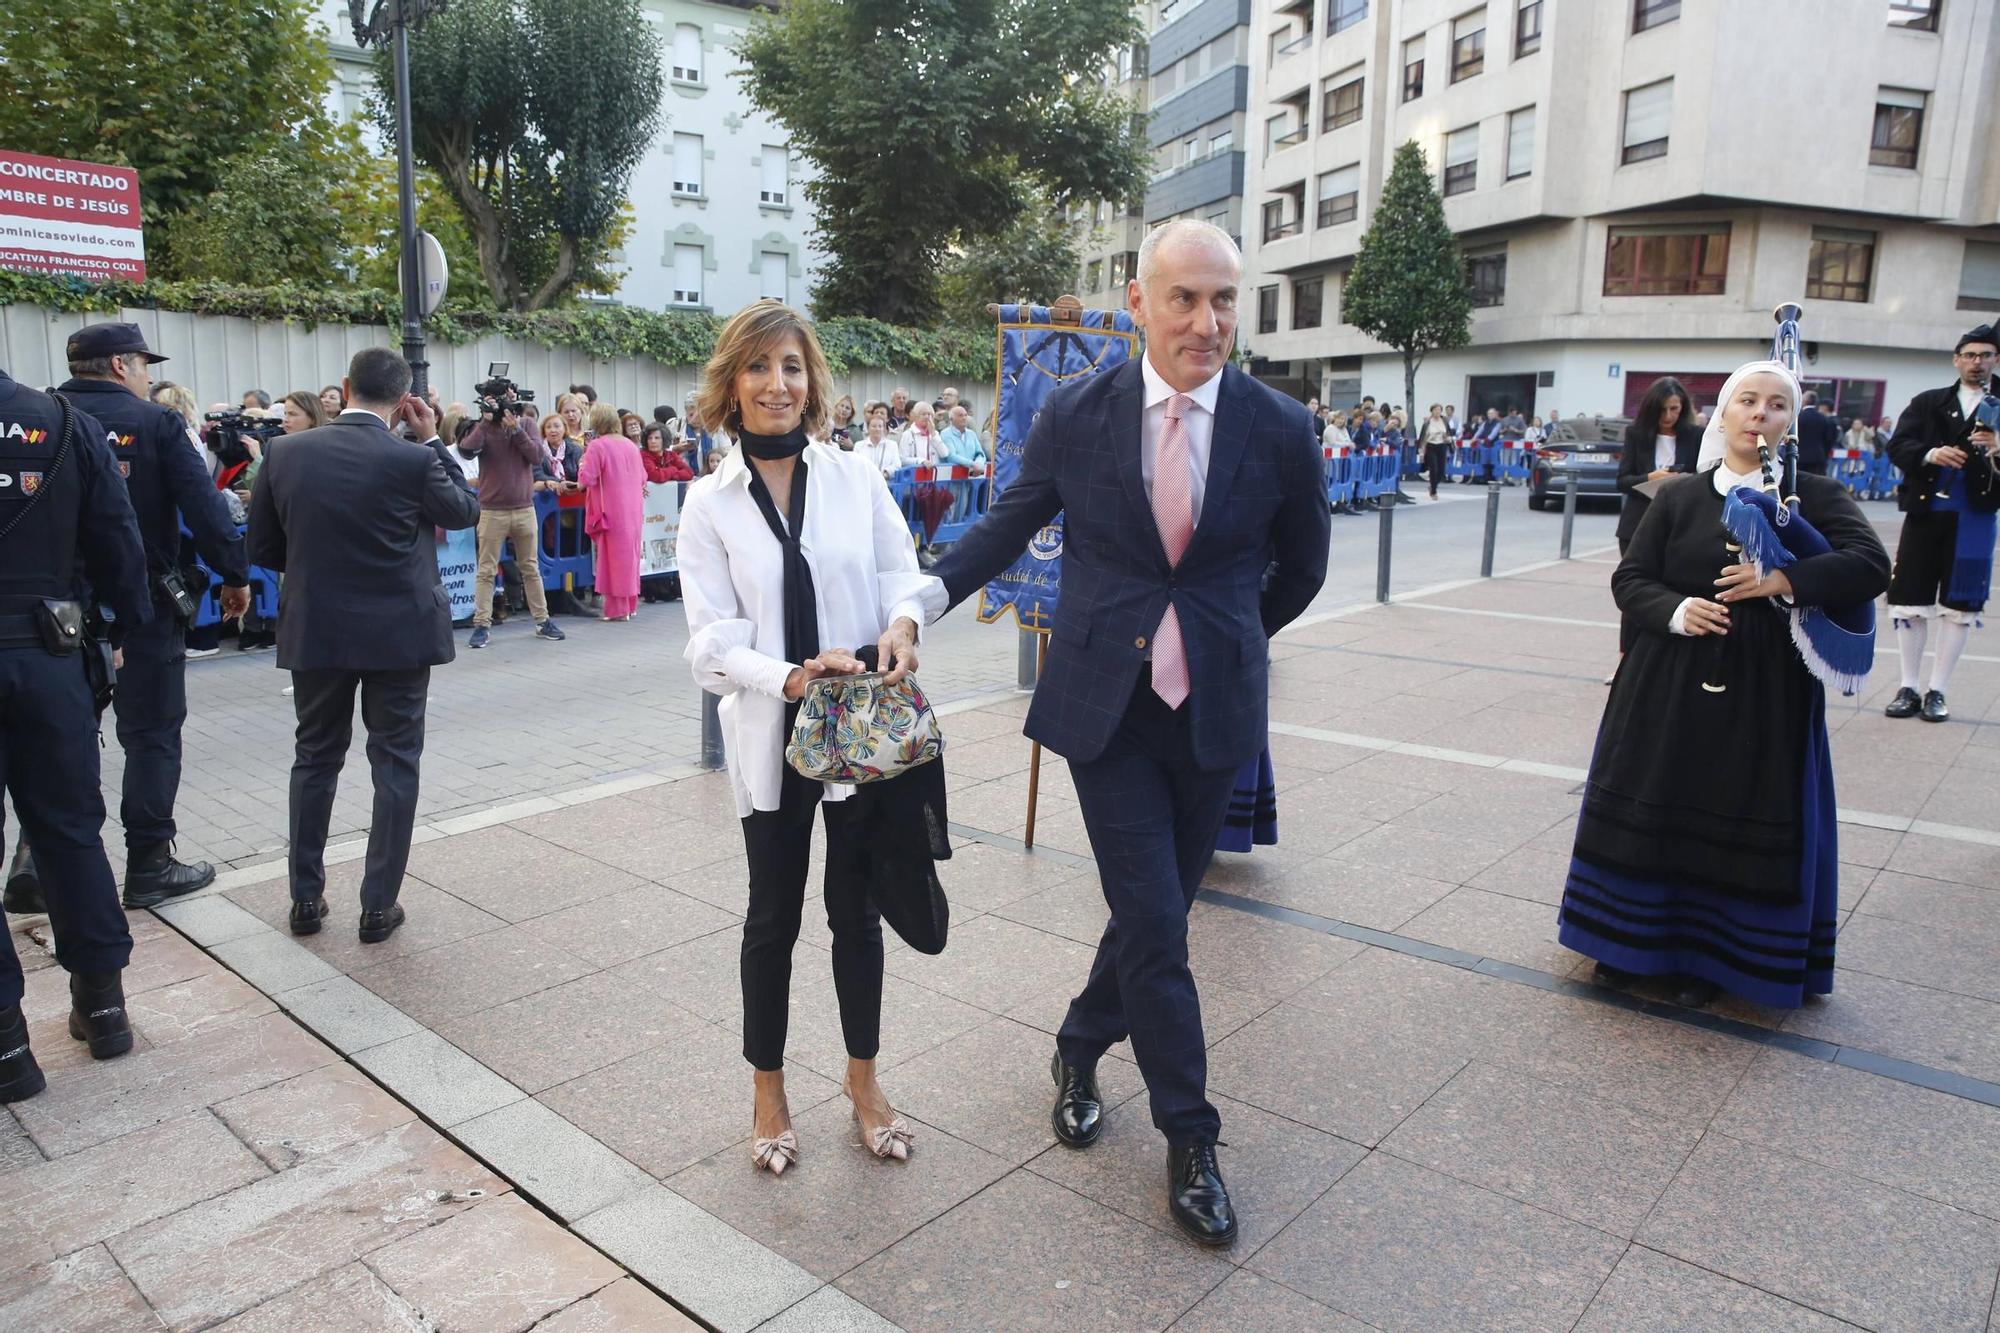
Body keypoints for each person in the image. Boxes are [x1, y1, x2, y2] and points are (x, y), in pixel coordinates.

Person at [895, 219, 1331, 1245]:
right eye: (1183, 298)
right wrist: (919, 604)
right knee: (1159, 924)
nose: (1207, 321)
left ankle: (1078, 1043)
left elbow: (1300, 568)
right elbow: (1004, 525)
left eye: (1223, 299)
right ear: (1137, 303)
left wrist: (1225, 637)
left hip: (1213, 709)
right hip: (1105, 711)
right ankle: (1190, 1138)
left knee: (1155, 914)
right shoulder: (1078, 414)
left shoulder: (1276, 427)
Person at [678, 300, 929, 1176]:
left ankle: (863, 1083)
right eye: (758, 367)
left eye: (790, 366)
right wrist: (782, 675)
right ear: (731, 383)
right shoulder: (708, 503)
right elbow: (707, 639)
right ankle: (768, 1092)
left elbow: (905, 572)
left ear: (811, 379)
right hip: (770, 728)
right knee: (771, 918)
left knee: (855, 916)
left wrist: (900, 626)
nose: (776, 383)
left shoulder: (856, 477)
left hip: (856, 726)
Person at [1558, 359, 1889, 1010]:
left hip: (1765, 689)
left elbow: (1870, 565)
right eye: (1747, 401)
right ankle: (1628, 946)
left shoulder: (1815, 495)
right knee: (1654, 804)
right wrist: (1677, 611)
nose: (1759, 414)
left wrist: (1783, 581)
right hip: (1666, 682)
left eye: (1776, 405)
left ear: (1791, 422)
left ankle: (1712, 958)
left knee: (1735, 810)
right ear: (1724, 413)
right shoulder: (1679, 496)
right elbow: (1632, 580)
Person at [247, 348, 481, 945]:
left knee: (315, 757)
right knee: (395, 761)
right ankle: (378, 905)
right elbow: (463, 512)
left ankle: (305, 896)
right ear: (405, 401)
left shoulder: (285, 452)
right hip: (398, 632)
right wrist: (434, 444)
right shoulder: (409, 458)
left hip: (317, 627)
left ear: (346, 387)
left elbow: (267, 547)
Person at [0, 362, 156, 1100]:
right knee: (69, 831)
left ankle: (7, 1049)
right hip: (48, 659)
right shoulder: (60, 422)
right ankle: (104, 1006)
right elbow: (117, 539)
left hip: (40, 647)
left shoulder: (67, 421)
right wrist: (125, 624)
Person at [58, 323, 252, 908]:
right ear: (120, 365)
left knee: (61, 737)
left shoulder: (45, 417)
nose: (147, 376)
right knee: (150, 735)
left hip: (59, 608)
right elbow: (205, 510)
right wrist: (235, 575)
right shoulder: (155, 423)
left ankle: (39, 866)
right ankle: (149, 862)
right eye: (143, 365)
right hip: (142, 601)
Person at [1882, 323, 1999, 723]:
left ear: (1996, 360)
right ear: (1956, 359)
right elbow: (1897, 445)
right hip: (1926, 512)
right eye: (1969, 355)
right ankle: (1909, 685)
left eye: (1985, 355)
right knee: (1910, 600)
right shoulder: (1928, 401)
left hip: (1976, 518)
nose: (1977, 362)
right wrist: (1931, 454)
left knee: (1959, 606)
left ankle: (1938, 690)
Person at [460, 404, 565, 650]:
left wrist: (516, 429)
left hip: (524, 507)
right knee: (486, 569)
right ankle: (481, 625)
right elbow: (466, 450)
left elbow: (537, 457)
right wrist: (486, 422)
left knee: (530, 567)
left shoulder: (526, 424)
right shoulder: (483, 427)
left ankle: (542, 620)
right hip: (491, 509)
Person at [579, 403, 646, 621]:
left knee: (614, 560)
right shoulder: (630, 445)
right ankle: (631, 605)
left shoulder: (597, 446)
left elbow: (586, 479)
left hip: (610, 510)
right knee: (631, 556)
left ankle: (617, 609)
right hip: (633, 510)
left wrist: (582, 464)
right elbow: (643, 476)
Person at [1794, 391, 1839, 476]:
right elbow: (1828, 439)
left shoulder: (1798, 417)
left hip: (1799, 458)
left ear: (1804, 401)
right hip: (1818, 458)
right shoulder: (1824, 418)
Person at [854, 405, 899, 478]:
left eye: (880, 426)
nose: (877, 429)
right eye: (874, 426)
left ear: (884, 428)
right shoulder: (859, 446)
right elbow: (855, 465)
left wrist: (885, 473)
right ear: (868, 428)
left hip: (885, 483)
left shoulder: (892, 445)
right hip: (865, 481)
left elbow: (896, 465)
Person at [1421, 404, 1450, 499]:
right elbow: (1423, 437)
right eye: (1435, 410)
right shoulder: (1428, 422)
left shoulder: (1444, 421)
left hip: (1442, 445)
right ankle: (1433, 491)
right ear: (1432, 411)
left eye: (1439, 410)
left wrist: (1448, 438)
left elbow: (1448, 433)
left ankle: (1433, 485)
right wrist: (1422, 450)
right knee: (1434, 469)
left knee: (1441, 471)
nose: (1437, 412)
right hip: (1431, 446)